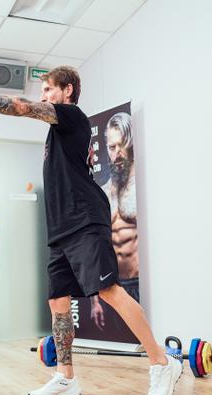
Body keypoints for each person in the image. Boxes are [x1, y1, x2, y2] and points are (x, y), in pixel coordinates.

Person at [0, 66, 181, 395]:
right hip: (60, 228)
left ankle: (161, 362)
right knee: (57, 302)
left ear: (67, 91)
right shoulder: (57, 134)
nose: (43, 96)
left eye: (48, 89)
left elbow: (20, 107)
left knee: (108, 291)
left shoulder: (71, 116)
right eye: (43, 91)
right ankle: (66, 377)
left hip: (84, 219)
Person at [90, 112, 140, 329]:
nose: (117, 153)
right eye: (112, 147)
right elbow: (95, 248)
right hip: (114, 286)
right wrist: (94, 300)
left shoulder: (140, 189)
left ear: (130, 145)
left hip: (141, 283)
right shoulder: (103, 193)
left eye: (122, 145)